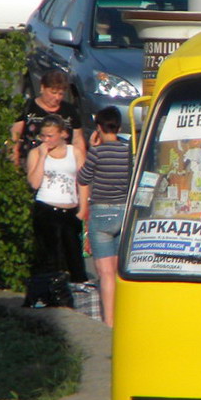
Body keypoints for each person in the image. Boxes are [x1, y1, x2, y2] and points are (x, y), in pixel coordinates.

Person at [77, 107, 131, 327]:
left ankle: (109, 323)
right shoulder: (128, 152)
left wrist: (92, 147)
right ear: (119, 127)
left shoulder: (97, 153)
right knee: (119, 271)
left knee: (106, 273)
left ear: (98, 128)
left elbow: (82, 178)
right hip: (124, 212)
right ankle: (123, 317)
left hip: (101, 213)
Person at [27, 115, 88, 286]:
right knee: (49, 257)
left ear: (63, 134)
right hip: (46, 207)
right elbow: (34, 182)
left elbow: (82, 181)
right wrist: (42, 156)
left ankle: (77, 289)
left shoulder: (74, 152)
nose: (47, 140)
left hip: (69, 209)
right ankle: (48, 291)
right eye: (43, 136)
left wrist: (83, 209)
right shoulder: (36, 153)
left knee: (74, 256)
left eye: (51, 136)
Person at [12, 70, 86, 168]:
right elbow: (14, 137)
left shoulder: (69, 110)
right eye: (53, 92)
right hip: (31, 162)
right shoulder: (27, 107)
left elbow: (77, 140)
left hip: (61, 164)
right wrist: (14, 161)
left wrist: (80, 166)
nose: (57, 97)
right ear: (42, 88)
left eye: (61, 94)